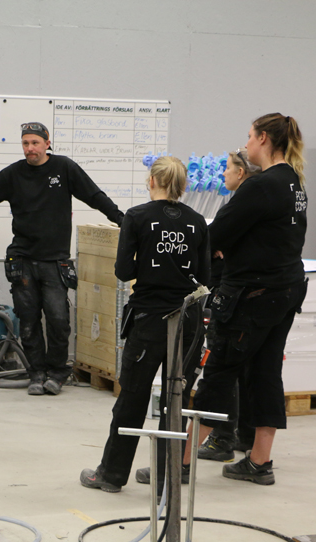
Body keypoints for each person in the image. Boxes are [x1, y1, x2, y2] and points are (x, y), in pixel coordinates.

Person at [0, 122, 124, 396]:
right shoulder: (13, 175)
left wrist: (124, 221)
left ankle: (57, 373)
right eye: (25, 143)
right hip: (23, 260)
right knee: (28, 322)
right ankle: (36, 373)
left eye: (35, 143)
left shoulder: (64, 168)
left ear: (47, 143)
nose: (30, 148)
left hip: (55, 261)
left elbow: (95, 197)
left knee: (58, 321)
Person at [188, 113, 308, 486]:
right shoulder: (294, 182)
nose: (246, 144)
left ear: (264, 139)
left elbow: (217, 233)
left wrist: (211, 249)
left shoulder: (261, 185)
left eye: (250, 137)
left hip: (252, 297)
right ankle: (259, 462)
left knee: (218, 374)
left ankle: (180, 462)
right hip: (284, 293)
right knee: (265, 374)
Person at [79, 156, 210, 493]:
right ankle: (168, 476)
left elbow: (124, 271)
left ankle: (111, 475)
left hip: (150, 319)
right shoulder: (197, 222)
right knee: (176, 399)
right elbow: (205, 275)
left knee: (133, 398)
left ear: (152, 181)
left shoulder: (136, 217)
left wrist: (152, 265)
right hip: (188, 322)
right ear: (182, 185)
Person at [196, 149, 260, 463]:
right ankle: (245, 436)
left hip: (232, 296)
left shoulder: (240, 205)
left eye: (229, 168)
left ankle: (222, 438)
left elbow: (211, 239)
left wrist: (213, 246)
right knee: (246, 369)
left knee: (221, 370)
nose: (223, 174)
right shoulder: (262, 203)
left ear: (241, 173)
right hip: (255, 297)